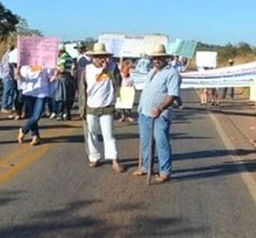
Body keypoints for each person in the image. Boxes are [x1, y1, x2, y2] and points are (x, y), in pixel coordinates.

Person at [133, 44, 182, 183]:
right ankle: (145, 167)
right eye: (155, 58)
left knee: (161, 143)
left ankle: (165, 171)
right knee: (145, 143)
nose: (157, 60)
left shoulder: (172, 73)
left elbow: (172, 95)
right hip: (144, 113)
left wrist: (160, 108)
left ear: (165, 58)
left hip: (159, 115)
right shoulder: (152, 71)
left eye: (160, 58)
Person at [78, 42, 124, 173]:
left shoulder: (113, 67)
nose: (100, 59)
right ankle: (94, 157)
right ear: (93, 58)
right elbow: (82, 90)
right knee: (91, 133)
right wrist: (82, 109)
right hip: (91, 106)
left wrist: (108, 71)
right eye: (97, 57)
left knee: (108, 134)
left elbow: (118, 84)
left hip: (107, 106)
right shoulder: (87, 69)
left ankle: (114, 159)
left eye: (103, 56)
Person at [16, 65, 55, 146]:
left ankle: (24, 130)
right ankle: (35, 135)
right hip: (29, 92)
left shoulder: (45, 64)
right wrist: (18, 74)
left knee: (37, 115)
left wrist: (55, 74)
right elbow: (22, 79)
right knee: (32, 115)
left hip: (42, 92)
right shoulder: (25, 66)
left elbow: (50, 77)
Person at [53, 45, 75, 121]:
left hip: (62, 77)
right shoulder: (69, 57)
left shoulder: (63, 58)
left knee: (61, 97)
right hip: (68, 78)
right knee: (67, 97)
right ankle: (68, 114)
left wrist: (55, 67)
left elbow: (61, 69)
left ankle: (60, 114)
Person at [0, 45, 16, 113]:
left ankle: (8, 106)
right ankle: (4, 107)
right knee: (7, 92)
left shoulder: (6, 55)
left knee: (10, 92)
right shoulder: (9, 56)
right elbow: (9, 67)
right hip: (7, 76)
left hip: (6, 76)